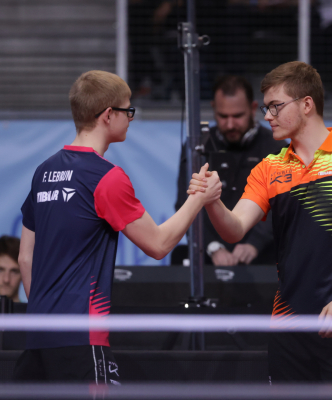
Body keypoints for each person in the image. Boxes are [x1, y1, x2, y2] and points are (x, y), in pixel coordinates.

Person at [188, 61, 332, 383]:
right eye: (267, 108)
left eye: (275, 106)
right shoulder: (269, 168)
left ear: (307, 104)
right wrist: (212, 202)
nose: (267, 116)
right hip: (287, 326)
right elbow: (235, 230)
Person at [14, 70, 220, 384]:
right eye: (128, 110)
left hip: (38, 337)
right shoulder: (105, 176)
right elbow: (159, 244)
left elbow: (25, 259)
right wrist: (199, 197)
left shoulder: (44, 171)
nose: (131, 118)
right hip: (82, 336)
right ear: (108, 115)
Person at [176, 76, 285, 266]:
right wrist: (212, 247)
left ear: (252, 109)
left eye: (237, 116)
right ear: (213, 109)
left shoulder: (274, 146)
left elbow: (282, 205)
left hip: (265, 260)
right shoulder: (199, 146)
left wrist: (254, 244)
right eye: (223, 116)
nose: (230, 124)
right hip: (209, 261)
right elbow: (184, 204)